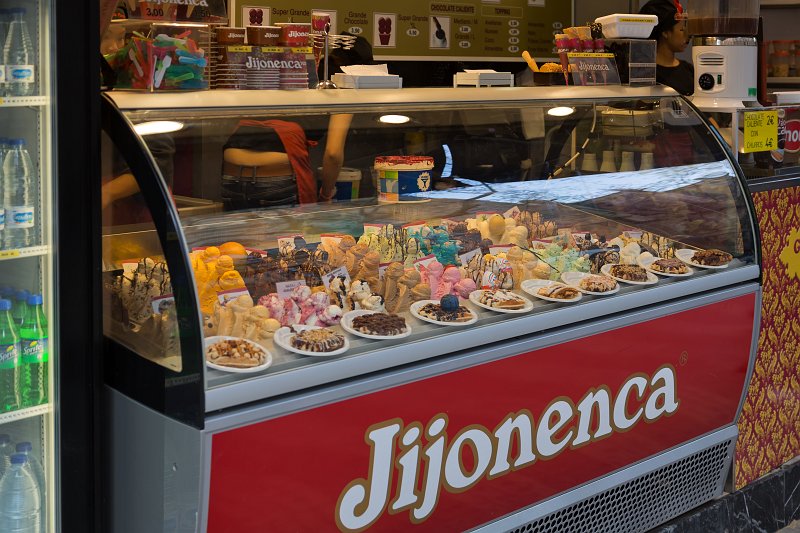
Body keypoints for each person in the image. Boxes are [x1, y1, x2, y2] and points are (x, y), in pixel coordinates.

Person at [640, 0, 693, 96]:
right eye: (681, 29)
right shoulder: (646, 74)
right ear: (665, 32)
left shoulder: (689, 70)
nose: (688, 35)